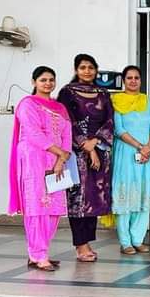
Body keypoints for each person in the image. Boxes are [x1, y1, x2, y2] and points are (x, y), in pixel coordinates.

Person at [8, 67, 73, 271]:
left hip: (57, 160)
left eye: (51, 80)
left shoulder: (60, 107)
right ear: (34, 81)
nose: (48, 83)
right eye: (43, 80)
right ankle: (38, 254)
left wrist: (62, 158)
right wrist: (59, 153)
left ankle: (38, 253)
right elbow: (33, 133)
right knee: (37, 207)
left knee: (54, 209)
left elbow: (67, 135)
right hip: (34, 158)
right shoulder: (27, 104)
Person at [57, 54, 114, 262]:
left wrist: (96, 143)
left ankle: (87, 242)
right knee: (78, 199)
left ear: (96, 70)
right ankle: (80, 245)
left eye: (91, 67)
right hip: (76, 153)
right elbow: (66, 121)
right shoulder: (67, 92)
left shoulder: (103, 93)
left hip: (100, 150)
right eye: (83, 67)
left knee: (95, 198)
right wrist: (87, 146)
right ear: (76, 70)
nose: (87, 71)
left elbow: (110, 121)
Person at [111, 65, 150, 255]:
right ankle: (125, 242)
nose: (133, 81)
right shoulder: (116, 101)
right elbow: (119, 130)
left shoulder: (147, 101)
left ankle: (138, 239)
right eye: (129, 78)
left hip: (147, 155)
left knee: (143, 194)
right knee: (125, 195)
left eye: (136, 78)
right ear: (124, 80)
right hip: (126, 153)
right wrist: (140, 146)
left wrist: (149, 147)